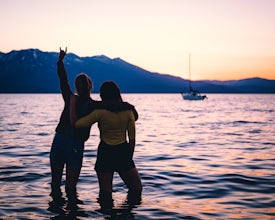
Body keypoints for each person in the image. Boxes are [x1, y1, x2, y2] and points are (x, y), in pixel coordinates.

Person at [50, 48, 139, 206]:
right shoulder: (96, 106)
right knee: (70, 188)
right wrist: (130, 108)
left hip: (61, 141)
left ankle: (57, 210)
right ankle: (72, 213)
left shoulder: (72, 99)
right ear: (91, 86)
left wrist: (60, 62)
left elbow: (63, 80)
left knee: (56, 184)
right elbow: (114, 104)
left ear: (78, 86)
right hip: (75, 146)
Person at [70, 81, 142, 209]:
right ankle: (128, 213)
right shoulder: (128, 111)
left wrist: (72, 105)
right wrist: (128, 158)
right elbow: (132, 139)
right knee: (136, 188)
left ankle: (107, 215)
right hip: (123, 152)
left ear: (103, 95)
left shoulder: (100, 112)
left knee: (105, 192)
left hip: (105, 152)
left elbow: (78, 124)